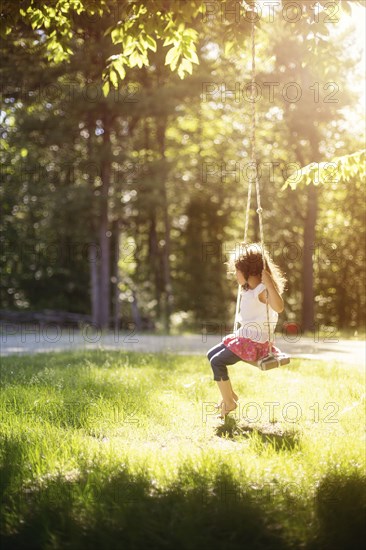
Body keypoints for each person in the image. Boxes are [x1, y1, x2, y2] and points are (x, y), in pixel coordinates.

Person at [206, 242, 287, 419]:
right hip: (245, 337)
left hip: (255, 343)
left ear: (248, 271)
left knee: (217, 362)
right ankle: (229, 396)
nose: (234, 275)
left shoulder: (261, 290)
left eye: (237, 270)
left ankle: (229, 403)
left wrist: (269, 284)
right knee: (211, 355)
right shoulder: (249, 289)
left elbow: (279, 307)